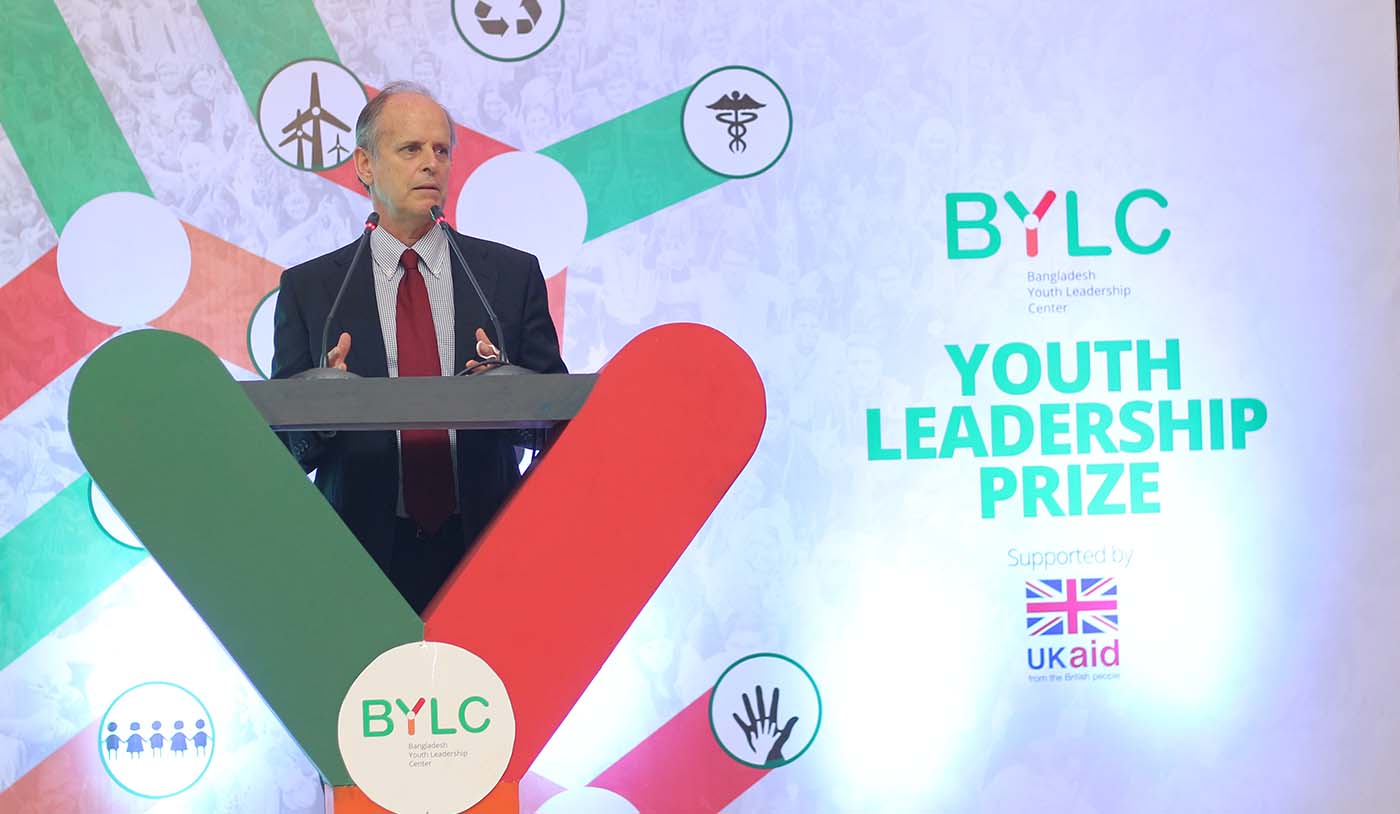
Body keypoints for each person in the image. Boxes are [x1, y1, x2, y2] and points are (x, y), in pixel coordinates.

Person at [271, 82, 566, 614]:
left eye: (441, 150)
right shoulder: (312, 291)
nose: (431, 163)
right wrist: (323, 406)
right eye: (410, 149)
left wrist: (509, 391)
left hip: (490, 550)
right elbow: (284, 453)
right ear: (365, 164)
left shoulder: (509, 277)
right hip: (357, 562)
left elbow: (557, 429)